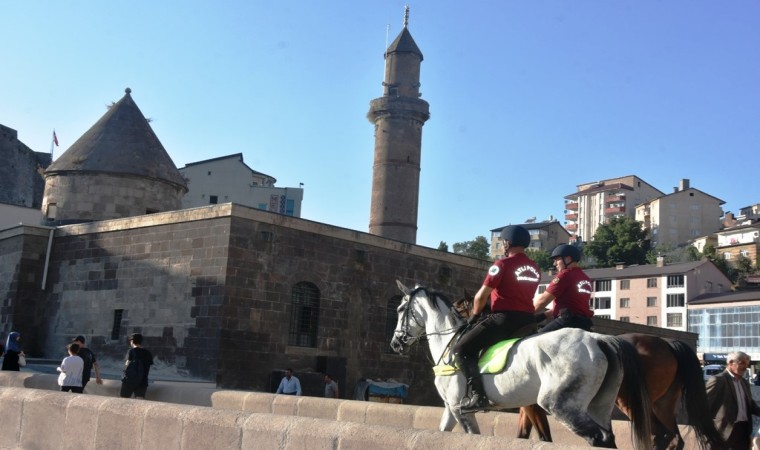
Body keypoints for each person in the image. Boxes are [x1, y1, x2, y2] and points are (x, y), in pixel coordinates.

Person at [452, 225, 541, 413]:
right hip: (528, 319)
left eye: (502, 242)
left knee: (461, 349)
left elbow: (480, 297)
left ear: (507, 243)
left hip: (504, 319)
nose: (502, 245)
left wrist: (474, 317)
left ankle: (478, 396)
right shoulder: (535, 268)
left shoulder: (500, 265)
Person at [533, 244, 594, 333]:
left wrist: (526, 314)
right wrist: (545, 315)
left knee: (534, 340)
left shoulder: (565, 275)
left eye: (557, 259)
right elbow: (574, 304)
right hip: (584, 324)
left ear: (568, 259)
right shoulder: (586, 278)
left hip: (567, 322)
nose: (554, 264)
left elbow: (542, 301)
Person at [705, 351, 760, 449]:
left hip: (743, 429)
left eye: (747, 364)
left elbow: (750, 404)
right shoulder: (718, 380)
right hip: (724, 431)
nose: (745, 367)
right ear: (731, 363)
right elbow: (704, 405)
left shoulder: (744, 382)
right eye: (742, 363)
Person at [120, 333, 154, 399]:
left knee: (123, 401)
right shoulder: (148, 353)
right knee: (139, 402)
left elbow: (127, 365)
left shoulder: (131, 351)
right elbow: (149, 367)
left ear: (132, 341)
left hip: (129, 381)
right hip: (143, 382)